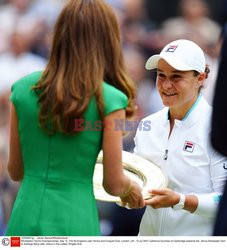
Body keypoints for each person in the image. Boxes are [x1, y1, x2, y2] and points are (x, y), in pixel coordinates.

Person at [5, 0, 144, 236]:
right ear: (108, 40)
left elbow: (15, 171)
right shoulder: (111, 99)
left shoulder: (21, 89)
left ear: (58, 34)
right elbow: (114, 183)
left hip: (23, 218)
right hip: (76, 220)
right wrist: (133, 187)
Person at [134, 39, 227, 236]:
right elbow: (137, 182)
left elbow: (223, 200)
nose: (166, 85)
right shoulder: (147, 125)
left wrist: (180, 201)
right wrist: (127, 195)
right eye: (161, 75)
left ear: (200, 78)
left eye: (176, 77)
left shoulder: (217, 127)